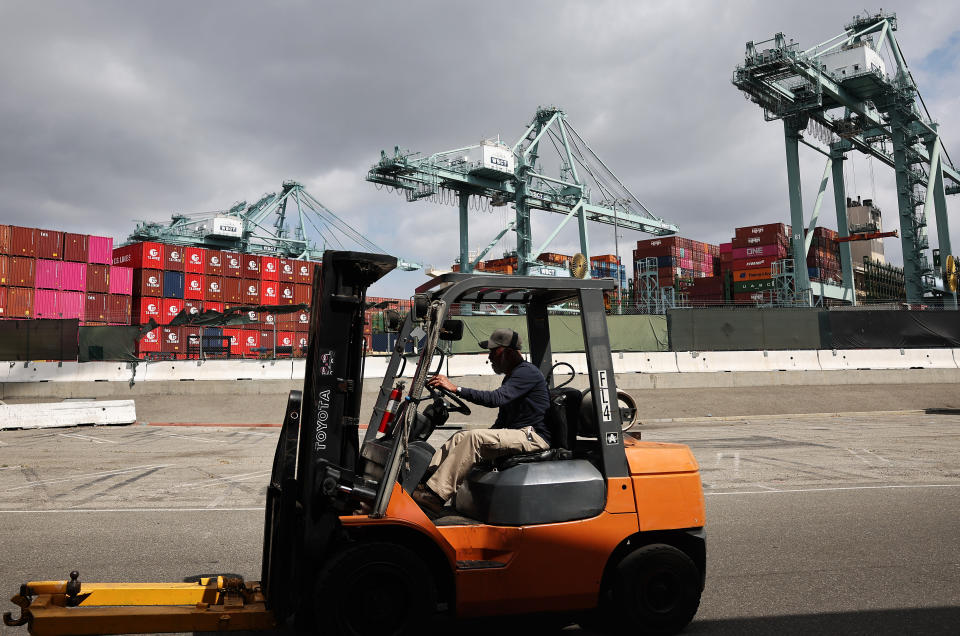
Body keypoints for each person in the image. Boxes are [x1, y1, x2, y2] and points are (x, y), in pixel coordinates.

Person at [412, 328, 551, 513]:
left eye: (493, 352)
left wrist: (456, 389)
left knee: (474, 439)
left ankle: (435, 496)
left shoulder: (527, 373)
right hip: (519, 433)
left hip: (533, 437)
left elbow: (496, 399)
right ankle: (423, 482)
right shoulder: (513, 377)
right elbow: (502, 420)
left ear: (508, 352)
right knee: (461, 437)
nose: (490, 357)